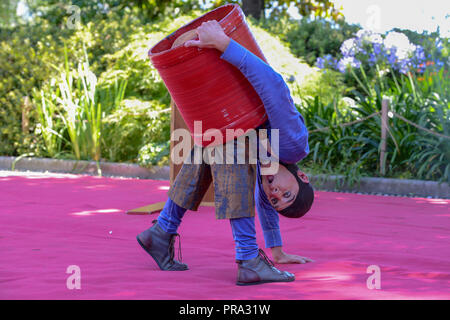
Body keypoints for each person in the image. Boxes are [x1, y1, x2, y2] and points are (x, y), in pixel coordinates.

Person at [137, 20, 314, 285]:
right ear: (301, 176)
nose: (275, 194)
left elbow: (264, 206)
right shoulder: (292, 145)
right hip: (227, 77)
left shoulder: (269, 169)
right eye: (286, 193)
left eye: (278, 200)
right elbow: (275, 86)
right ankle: (248, 259)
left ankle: (162, 230)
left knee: (217, 144)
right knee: (230, 144)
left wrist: (277, 250)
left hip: (220, 118)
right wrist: (224, 43)